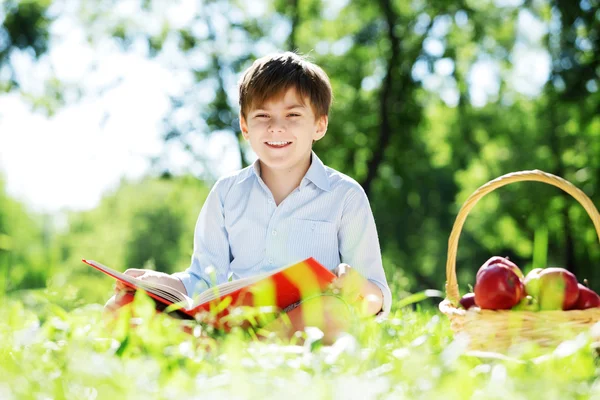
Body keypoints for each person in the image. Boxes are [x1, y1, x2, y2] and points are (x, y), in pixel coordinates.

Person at [107, 52, 392, 342]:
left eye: (293, 115)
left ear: (319, 125)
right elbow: (203, 280)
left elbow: (377, 297)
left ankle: (229, 349)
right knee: (123, 305)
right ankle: (222, 344)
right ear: (245, 126)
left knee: (333, 312)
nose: (276, 127)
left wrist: (356, 285)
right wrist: (159, 282)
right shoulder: (226, 192)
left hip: (304, 319)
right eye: (262, 115)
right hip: (233, 318)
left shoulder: (345, 196)